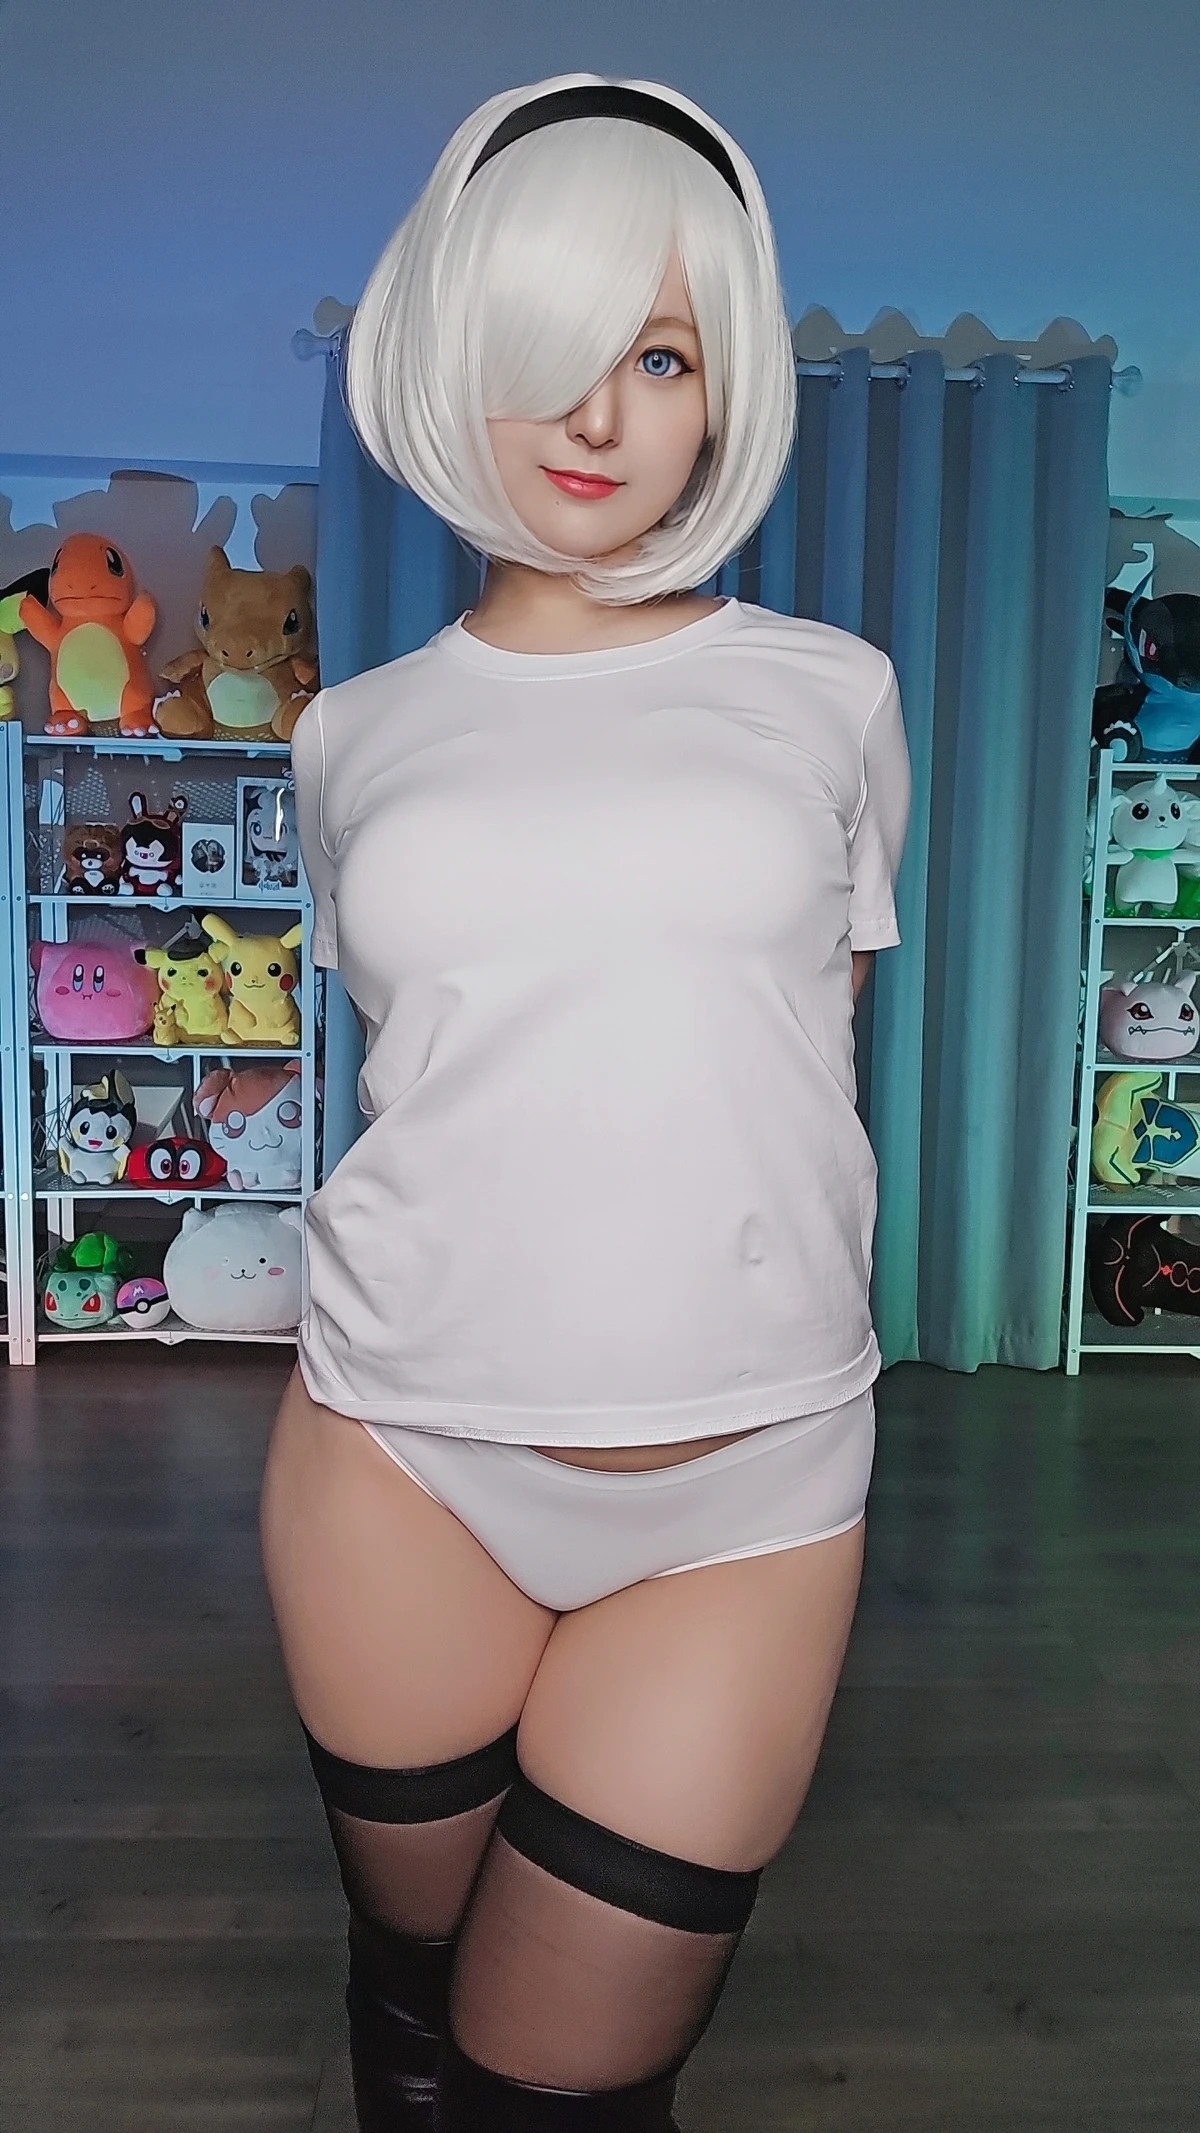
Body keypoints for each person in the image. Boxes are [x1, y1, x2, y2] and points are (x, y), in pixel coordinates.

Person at [261, 72, 912, 2132]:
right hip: (400, 1457)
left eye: (664, 358)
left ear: (724, 397)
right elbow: (435, 1059)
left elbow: (804, 1046)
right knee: (413, 2008)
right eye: (554, 345)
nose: (601, 417)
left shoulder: (835, 693)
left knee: (562, 2088)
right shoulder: (352, 735)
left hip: (747, 1487)